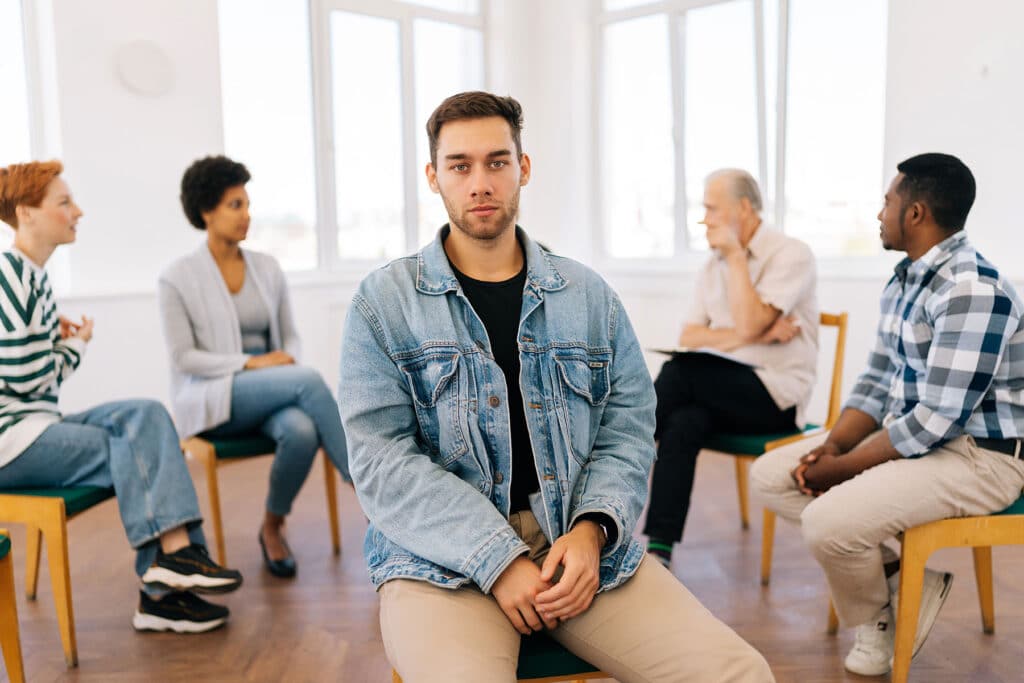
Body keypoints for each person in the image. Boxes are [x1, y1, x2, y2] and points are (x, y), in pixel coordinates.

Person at [339, 91, 773, 682]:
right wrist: (497, 558)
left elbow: (628, 428)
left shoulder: (588, 295)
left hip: (577, 545)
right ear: (433, 177)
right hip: (442, 561)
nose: (480, 182)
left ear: (523, 168)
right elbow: (380, 459)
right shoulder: (383, 303)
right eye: (459, 166)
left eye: (496, 162)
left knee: (741, 675)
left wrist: (594, 529)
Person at [750, 153, 1024, 676]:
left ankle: (874, 615)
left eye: (887, 202)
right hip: (926, 444)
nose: (880, 213)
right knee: (772, 477)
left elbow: (937, 420)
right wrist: (832, 446)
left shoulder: (972, 290)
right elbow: (876, 382)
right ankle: (897, 587)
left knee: (826, 521)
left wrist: (842, 468)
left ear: (916, 213)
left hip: (981, 458)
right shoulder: (905, 280)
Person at [0, 160, 242, 633]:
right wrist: (73, 345)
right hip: (13, 440)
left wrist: (54, 338)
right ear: (26, 213)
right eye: (64, 202)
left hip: (39, 425)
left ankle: (173, 567)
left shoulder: (33, 278)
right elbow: (27, 380)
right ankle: (167, 586)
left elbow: (29, 370)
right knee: (136, 452)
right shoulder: (11, 275)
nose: (78, 211)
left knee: (147, 415)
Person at [158, 156, 351, 579]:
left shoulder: (267, 267)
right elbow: (182, 357)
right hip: (213, 397)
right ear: (206, 211)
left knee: (301, 431)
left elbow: (290, 338)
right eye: (234, 205)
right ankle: (368, 490)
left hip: (271, 392)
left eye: (247, 204)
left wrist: (279, 364)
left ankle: (272, 526)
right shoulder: (177, 277)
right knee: (309, 380)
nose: (247, 215)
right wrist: (252, 362)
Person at [643, 169, 818, 567]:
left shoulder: (791, 255)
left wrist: (738, 258)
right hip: (718, 393)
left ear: (742, 208)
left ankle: (623, 443)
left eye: (710, 208)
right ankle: (659, 550)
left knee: (681, 373)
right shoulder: (711, 266)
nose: (704, 218)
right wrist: (755, 334)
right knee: (684, 420)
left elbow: (746, 322)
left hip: (774, 399)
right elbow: (690, 334)